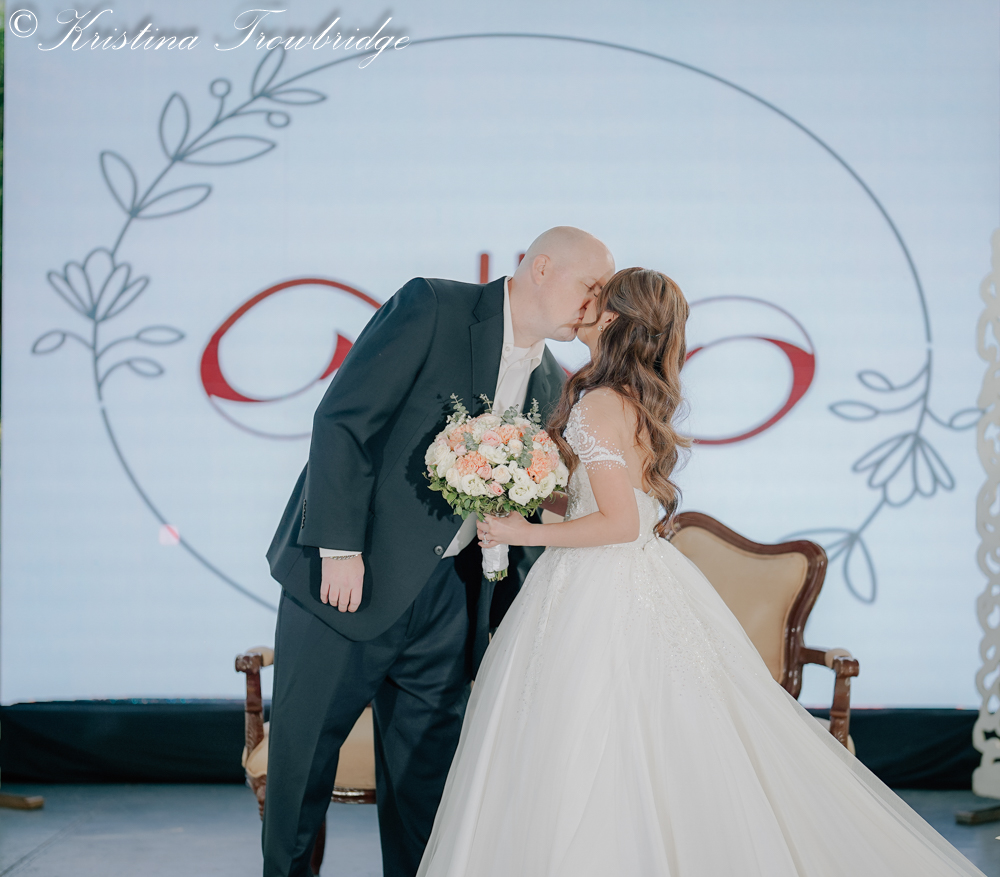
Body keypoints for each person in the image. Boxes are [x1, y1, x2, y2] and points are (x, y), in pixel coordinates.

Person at [416, 267, 987, 876]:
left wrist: (524, 532)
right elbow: (609, 504)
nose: (585, 304)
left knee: (581, 739)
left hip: (598, 585)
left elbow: (620, 524)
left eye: (598, 298)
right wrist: (527, 490)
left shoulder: (598, 403)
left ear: (615, 319)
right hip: (628, 577)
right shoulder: (627, 399)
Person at [262, 227, 616, 877]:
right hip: (348, 579)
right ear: (541, 268)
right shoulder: (431, 307)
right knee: (301, 771)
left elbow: (522, 499)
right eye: (590, 287)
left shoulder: (550, 379)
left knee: (426, 792)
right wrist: (339, 549)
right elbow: (344, 420)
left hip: (451, 601)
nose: (594, 306)